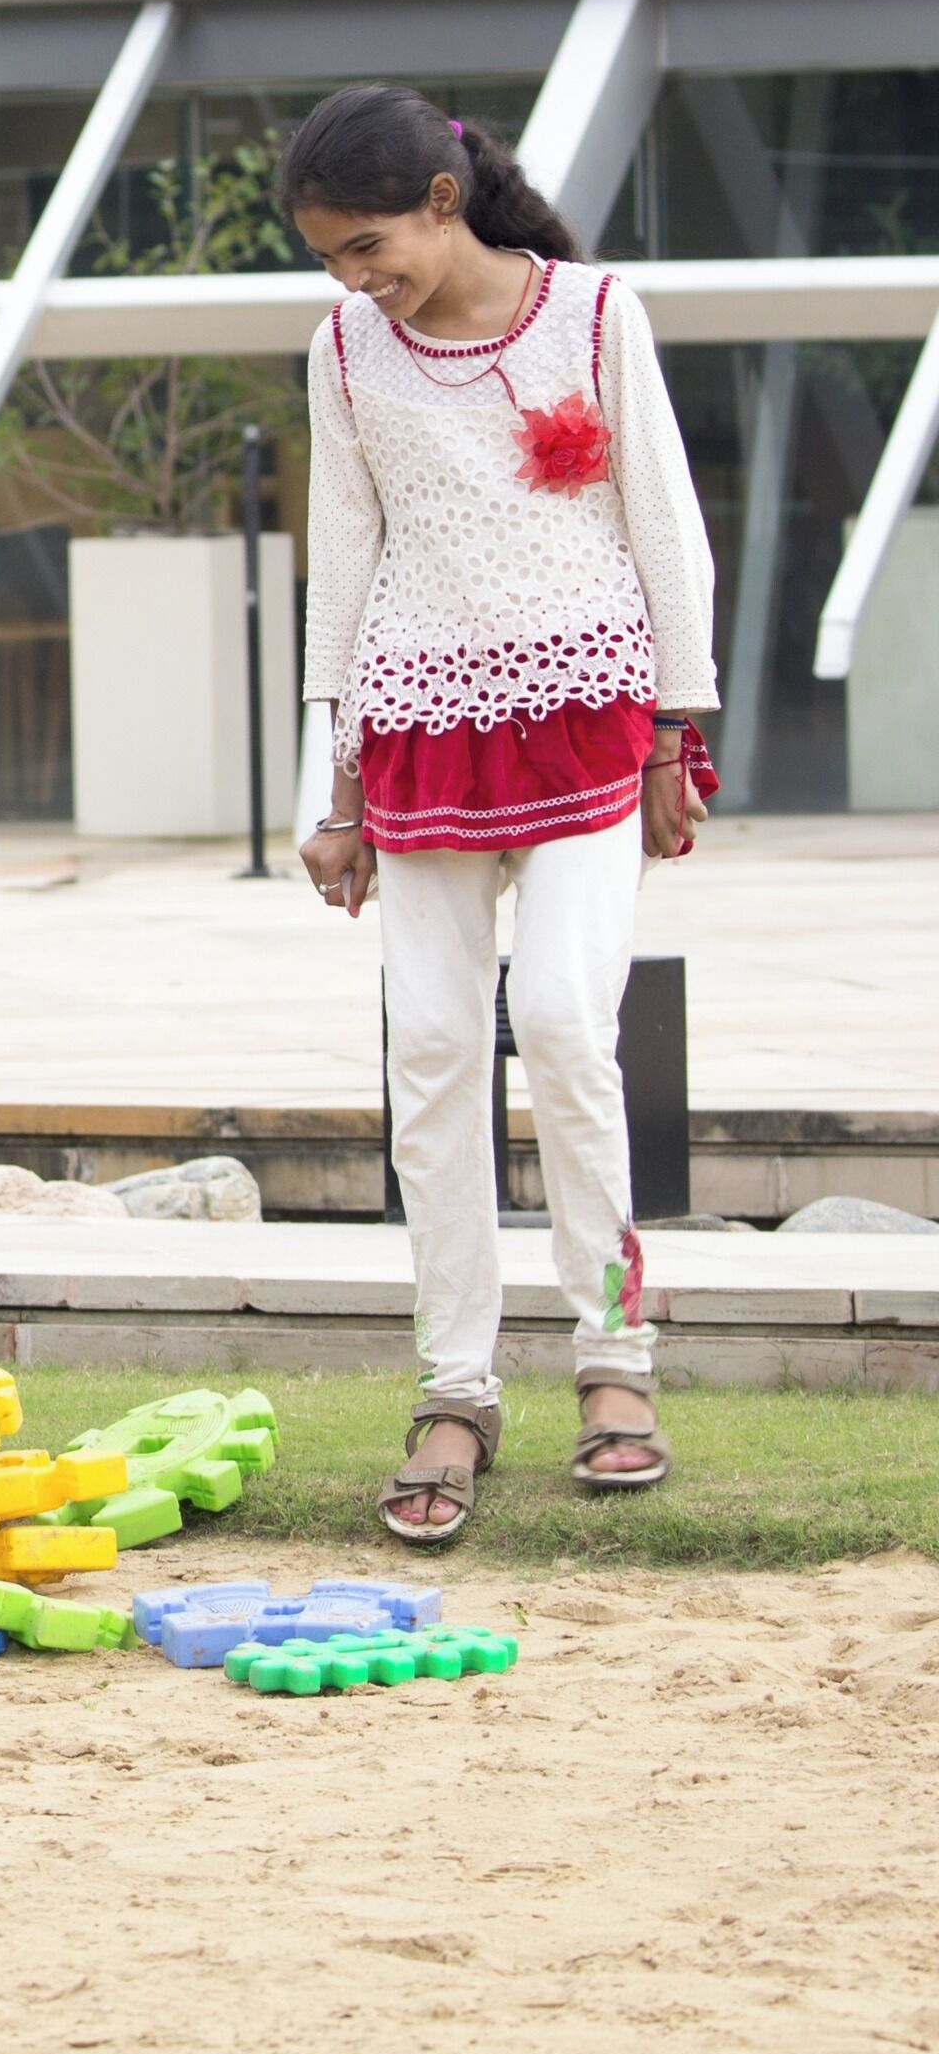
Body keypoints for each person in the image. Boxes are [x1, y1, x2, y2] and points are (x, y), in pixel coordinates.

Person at [280, 85, 712, 1545]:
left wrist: (679, 727)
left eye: (368, 244)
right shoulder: (345, 352)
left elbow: (663, 522)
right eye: (333, 257)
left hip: (592, 720)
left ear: (443, 201)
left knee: (576, 1026)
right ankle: (454, 1387)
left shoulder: (594, 316)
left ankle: (616, 1358)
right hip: (415, 739)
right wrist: (322, 787)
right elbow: (341, 562)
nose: (356, 277)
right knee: (440, 1053)